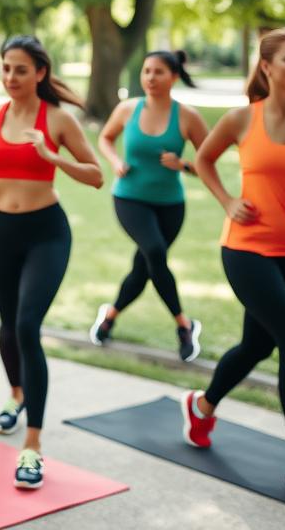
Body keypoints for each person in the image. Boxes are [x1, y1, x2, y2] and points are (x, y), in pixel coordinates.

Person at [181, 27, 285, 502]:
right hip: (246, 250)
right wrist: (227, 201)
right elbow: (204, 159)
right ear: (267, 66)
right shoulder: (242, 119)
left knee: (257, 345)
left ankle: (202, 405)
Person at [0, 35, 103, 490]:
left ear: (40, 72)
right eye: (5, 68)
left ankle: (34, 446)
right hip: (1, 230)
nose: (10, 77)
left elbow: (97, 175)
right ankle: (17, 395)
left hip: (47, 232)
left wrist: (51, 156)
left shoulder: (57, 119)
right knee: (7, 325)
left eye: (20, 69)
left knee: (26, 326)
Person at [92, 50, 210, 361]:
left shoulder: (187, 116)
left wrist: (183, 164)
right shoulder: (128, 109)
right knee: (155, 253)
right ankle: (184, 325)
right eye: (146, 71)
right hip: (129, 198)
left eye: (158, 72)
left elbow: (209, 162)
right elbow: (105, 138)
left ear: (173, 76)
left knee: (145, 265)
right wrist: (116, 161)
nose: (150, 78)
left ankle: (110, 316)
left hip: (171, 205)